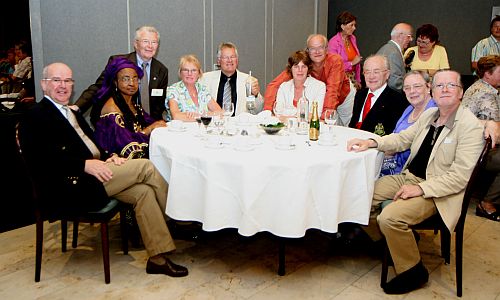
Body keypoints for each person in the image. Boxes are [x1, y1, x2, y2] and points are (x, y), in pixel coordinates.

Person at [19, 62, 188, 277]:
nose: (63, 86)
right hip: (73, 185)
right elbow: (40, 160)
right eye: (56, 80)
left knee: (143, 192)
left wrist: (111, 156)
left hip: (98, 173)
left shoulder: (71, 112)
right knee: (146, 166)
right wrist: (83, 164)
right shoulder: (35, 115)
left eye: (68, 81)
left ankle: (158, 257)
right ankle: (178, 217)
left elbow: (93, 143)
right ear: (44, 84)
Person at [347, 70, 484, 294]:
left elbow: (459, 178)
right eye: (440, 86)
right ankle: (392, 243)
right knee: (359, 195)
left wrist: (419, 189)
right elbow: (403, 139)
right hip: (410, 176)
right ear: (433, 90)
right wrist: (372, 142)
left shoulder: (469, 126)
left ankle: (413, 271)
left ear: (461, 92)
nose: (445, 89)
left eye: (451, 85)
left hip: (438, 192)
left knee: (389, 217)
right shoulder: (430, 116)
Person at [76, 26, 169, 121]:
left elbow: (159, 104)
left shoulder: (161, 70)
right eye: (145, 41)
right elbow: (99, 87)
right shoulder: (118, 62)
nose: (150, 46)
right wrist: (78, 107)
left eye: (154, 42)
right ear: (136, 44)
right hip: (121, 121)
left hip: (150, 123)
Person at [264, 34, 351, 124]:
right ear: (308, 50)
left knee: (342, 125)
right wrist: (267, 113)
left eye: (320, 47)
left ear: (326, 49)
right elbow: (274, 85)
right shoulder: (304, 62)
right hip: (324, 95)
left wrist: (323, 119)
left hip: (342, 94)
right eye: (313, 48)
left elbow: (333, 91)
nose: (317, 52)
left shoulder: (335, 61)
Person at [90, 57, 166, 159]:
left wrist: (158, 124)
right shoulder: (112, 109)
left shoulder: (130, 101)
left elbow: (148, 121)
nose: (131, 83)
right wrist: (149, 129)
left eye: (135, 78)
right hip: (116, 161)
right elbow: (126, 146)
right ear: (115, 82)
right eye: (125, 79)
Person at [462, 55, 500, 221]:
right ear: (488, 74)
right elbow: (495, 135)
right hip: (476, 149)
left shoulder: (478, 86)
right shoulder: (486, 95)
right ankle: (487, 203)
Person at [380, 71, 437, 176]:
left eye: (417, 86)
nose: (412, 91)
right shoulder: (409, 109)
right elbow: (394, 136)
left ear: (428, 87)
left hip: (411, 171)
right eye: (407, 88)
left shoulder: (434, 112)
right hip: (392, 161)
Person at [348, 55, 408, 134]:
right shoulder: (360, 94)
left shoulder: (397, 100)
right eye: (367, 72)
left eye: (376, 72)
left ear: (387, 74)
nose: (371, 76)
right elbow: (353, 124)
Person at [200, 42, 263, 115]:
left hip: (239, 125)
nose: (230, 60)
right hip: (215, 124)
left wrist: (255, 95)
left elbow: (259, 110)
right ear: (218, 61)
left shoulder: (248, 80)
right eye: (226, 57)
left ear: (237, 60)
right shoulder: (205, 79)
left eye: (233, 57)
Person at [167, 54, 222, 121]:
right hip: (180, 130)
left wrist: (196, 116)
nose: (189, 73)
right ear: (180, 73)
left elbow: (220, 112)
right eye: (185, 70)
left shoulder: (202, 89)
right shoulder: (173, 90)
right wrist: (204, 116)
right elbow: (176, 116)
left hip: (202, 129)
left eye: (193, 70)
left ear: (199, 73)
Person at [275, 50, 326, 117]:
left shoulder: (319, 86)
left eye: (304, 67)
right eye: (296, 66)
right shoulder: (284, 87)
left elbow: (315, 115)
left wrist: (287, 114)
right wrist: (303, 113)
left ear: (308, 69)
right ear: (291, 69)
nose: (300, 70)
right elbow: (278, 111)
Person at [328, 11, 362, 89]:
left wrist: (358, 80)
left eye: (355, 25)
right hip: (340, 81)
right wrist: (351, 63)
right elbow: (333, 66)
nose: (354, 28)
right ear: (343, 26)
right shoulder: (333, 42)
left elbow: (357, 62)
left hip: (353, 80)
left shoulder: (353, 38)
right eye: (351, 25)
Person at [377, 23, 413, 91]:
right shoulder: (393, 53)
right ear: (400, 36)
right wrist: (411, 87)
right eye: (409, 36)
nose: (411, 39)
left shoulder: (388, 48)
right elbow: (394, 82)